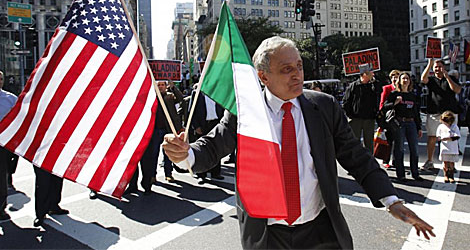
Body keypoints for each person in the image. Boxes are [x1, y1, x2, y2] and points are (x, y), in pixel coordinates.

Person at [162, 37, 434, 249]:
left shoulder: (323, 106)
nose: (297, 75)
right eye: (286, 69)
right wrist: (184, 155)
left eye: (299, 66)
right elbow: (212, 146)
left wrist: (391, 200)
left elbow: (356, 156)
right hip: (268, 234)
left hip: (320, 230)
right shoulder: (246, 111)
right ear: (263, 76)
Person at [421, 58, 461, 170]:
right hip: (434, 112)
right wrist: (430, 63)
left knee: (450, 138)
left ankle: (450, 163)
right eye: (436, 67)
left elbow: (457, 90)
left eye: (440, 67)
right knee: (432, 137)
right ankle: (429, 161)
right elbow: (423, 79)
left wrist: (447, 77)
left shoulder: (452, 78)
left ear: (444, 68)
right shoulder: (431, 80)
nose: (438, 69)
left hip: (450, 114)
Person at [384, 72, 424, 182]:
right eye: (403, 79)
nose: (405, 81)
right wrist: (395, 103)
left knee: (414, 149)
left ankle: (415, 173)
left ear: (410, 81)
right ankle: (400, 175)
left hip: (411, 123)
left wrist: (419, 127)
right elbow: (385, 106)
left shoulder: (412, 95)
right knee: (399, 149)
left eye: (407, 78)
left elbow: (416, 112)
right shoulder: (394, 93)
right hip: (399, 123)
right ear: (399, 81)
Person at [343, 64, 382, 153]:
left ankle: (368, 162)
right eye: (370, 72)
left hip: (369, 118)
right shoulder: (353, 86)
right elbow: (346, 101)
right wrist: (350, 115)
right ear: (364, 74)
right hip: (355, 118)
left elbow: (379, 91)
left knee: (369, 143)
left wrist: (374, 82)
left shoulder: (373, 85)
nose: (373, 74)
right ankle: (354, 160)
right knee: (354, 141)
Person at [191, 91, 225, 183]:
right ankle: (201, 175)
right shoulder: (197, 93)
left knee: (217, 147)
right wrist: (196, 126)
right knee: (202, 149)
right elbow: (192, 111)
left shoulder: (217, 91)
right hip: (203, 125)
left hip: (216, 123)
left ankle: (216, 173)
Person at [0, 71, 17, 220]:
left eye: (0, 78)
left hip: (3, 143)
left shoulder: (10, 99)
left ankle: (1, 208)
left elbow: (18, 119)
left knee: (2, 177)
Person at [379, 69, 401, 168]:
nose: (395, 79)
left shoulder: (402, 88)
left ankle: (396, 161)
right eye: (393, 77)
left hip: (399, 117)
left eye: (397, 76)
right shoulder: (387, 88)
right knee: (389, 140)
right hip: (389, 118)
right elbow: (382, 104)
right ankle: (385, 160)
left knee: (398, 141)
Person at [436, 111, 460, 183]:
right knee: (445, 162)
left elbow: (457, 136)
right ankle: (446, 175)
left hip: (453, 148)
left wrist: (448, 138)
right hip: (444, 147)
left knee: (452, 162)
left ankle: (451, 175)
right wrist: (440, 138)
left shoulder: (454, 127)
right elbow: (438, 136)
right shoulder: (441, 126)